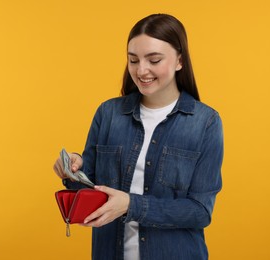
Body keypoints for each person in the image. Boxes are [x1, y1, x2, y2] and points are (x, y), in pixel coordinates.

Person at [53, 13, 223, 260]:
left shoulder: (205, 122)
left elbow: (199, 212)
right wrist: (72, 168)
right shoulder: (108, 113)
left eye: (154, 60)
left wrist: (132, 205)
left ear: (179, 61)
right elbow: (89, 188)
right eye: (133, 60)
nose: (141, 70)